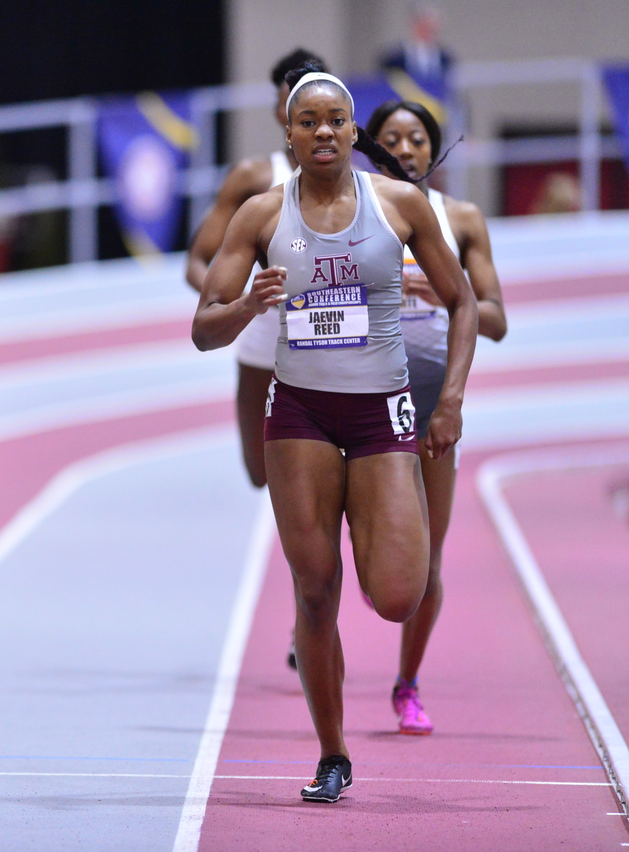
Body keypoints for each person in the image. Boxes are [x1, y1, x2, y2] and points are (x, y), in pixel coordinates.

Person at [191, 64, 477, 803]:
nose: (323, 131)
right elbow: (202, 329)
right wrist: (248, 307)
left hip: (383, 413)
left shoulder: (401, 205)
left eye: (336, 121)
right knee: (316, 594)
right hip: (300, 417)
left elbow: (465, 304)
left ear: (354, 133)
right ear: (288, 135)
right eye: (308, 121)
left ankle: (369, 525)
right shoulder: (260, 215)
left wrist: (449, 401)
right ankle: (332, 753)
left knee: (395, 595)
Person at [367, 100, 507, 734]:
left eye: (416, 137)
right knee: (372, 568)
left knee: (426, 563)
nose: (405, 146)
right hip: (361, 400)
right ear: (372, 147)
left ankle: (408, 682)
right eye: (391, 137)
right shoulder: (352, 211)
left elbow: (496, 320)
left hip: (429, 411)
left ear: (432, 149)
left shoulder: (461, 220)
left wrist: (445, 291)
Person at [186, 48, 329, 492]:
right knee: (259, 471)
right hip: (263, 334)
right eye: (294, 102)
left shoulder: (355, 179)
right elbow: (197, 261)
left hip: (329, 332)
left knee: (326, 463)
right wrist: (239, 303)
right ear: (279, 111)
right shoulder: (253, 176)